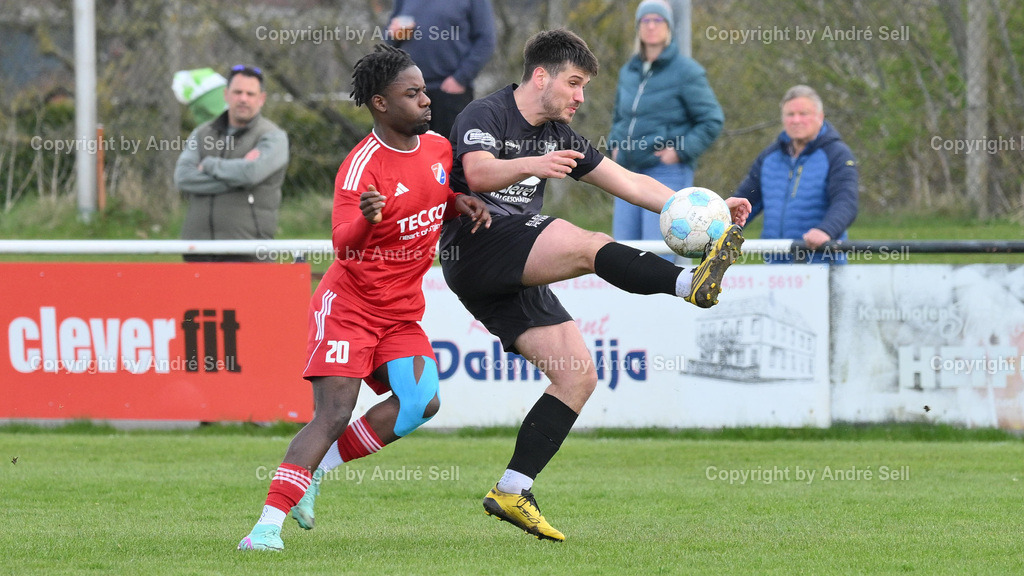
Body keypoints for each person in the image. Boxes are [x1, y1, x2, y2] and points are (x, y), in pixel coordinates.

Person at [441, 29, 750, 541]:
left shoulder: (560, 133)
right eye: (574, 83)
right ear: (541, 77)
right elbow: (476, 173)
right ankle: (686, 283)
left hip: (514, 265)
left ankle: (512, 489)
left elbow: (631, 182)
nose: (581, 97)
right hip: (477, 248)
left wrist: (711, 208)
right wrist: (533, 166)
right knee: (588, 244)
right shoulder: (486, 114)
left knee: (577, 376)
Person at [236, 44, 490, 551]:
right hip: (349, 308)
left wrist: (459, 204)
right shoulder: (361, 168)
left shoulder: (439, 148)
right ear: (380, 103)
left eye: (424, 91)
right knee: (332, 415)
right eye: (412, 93)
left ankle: (319, 473)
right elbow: (342, 244)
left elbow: (432, 198)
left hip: (399, 315)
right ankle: (264, 528)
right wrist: (366, 220)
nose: (425, 100)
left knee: (422, 403)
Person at [608, 0, 724, 247]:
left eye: (658, 20)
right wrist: (614, 146)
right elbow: (620, 117)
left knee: (657, 252)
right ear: (638, 26)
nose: (651, 26)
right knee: (623, 252)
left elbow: (712, 119)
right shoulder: (628, 71)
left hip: (665, 172)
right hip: (626, 172)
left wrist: (680, 151)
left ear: (668, 27)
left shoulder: (686, 71)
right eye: (646, 20)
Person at [174, 65, 289, 262]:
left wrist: (209, 165)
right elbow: (183, 178)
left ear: (261, 99)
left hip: (248, 252)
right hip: (198, 249)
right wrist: (238, 178)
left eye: (250, 94)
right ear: (226, 94)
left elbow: (251, 174)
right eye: (237, 92)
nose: (243, 98)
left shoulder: (274, 137)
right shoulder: (202, 133)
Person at [733, 84, 859, 264]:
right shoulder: (769, 157)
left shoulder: (838, 154)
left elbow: (846, 201)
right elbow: (744, 202)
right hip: (775, 267)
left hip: (821, 263)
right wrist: (718, 227)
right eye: (790, 115)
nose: (796, 120)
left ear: (820, 117)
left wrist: (826, 231)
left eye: (803, 114)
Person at [386, 0, 496, 139]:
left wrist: (460, 79)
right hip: (410, 92)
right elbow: (389, 38)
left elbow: (486, 40)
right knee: (410, 154)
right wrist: (393, 34)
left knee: (451, 154)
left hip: (450, 92)